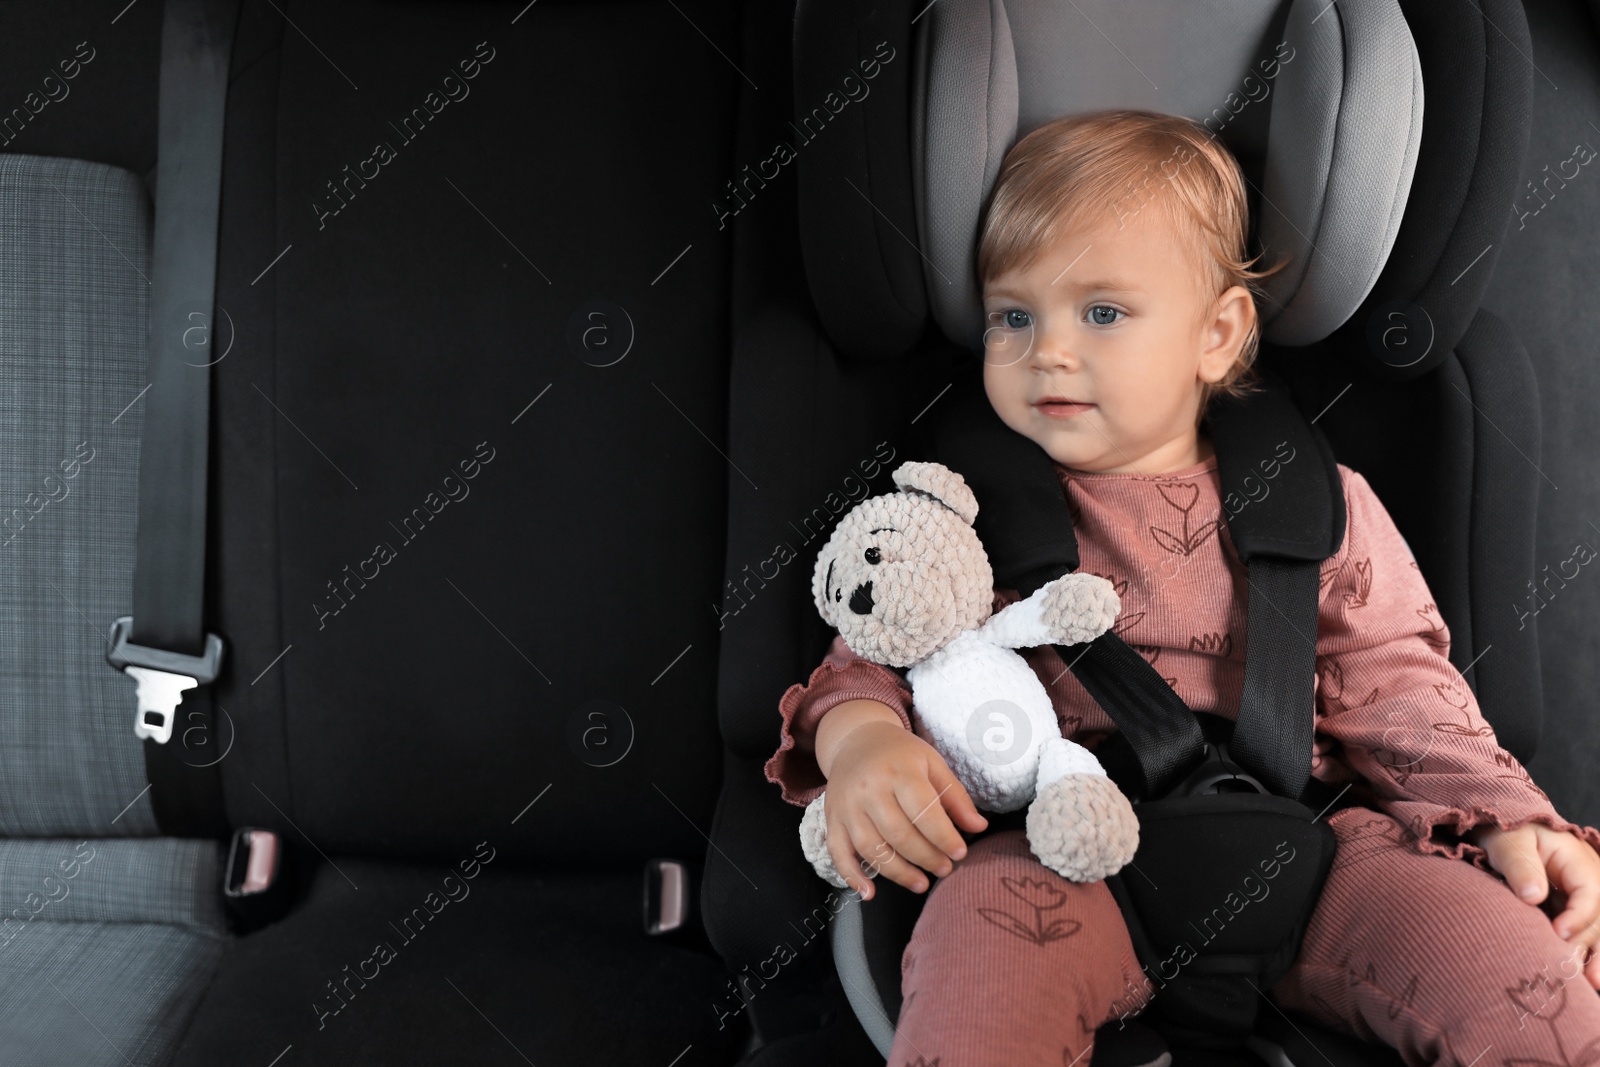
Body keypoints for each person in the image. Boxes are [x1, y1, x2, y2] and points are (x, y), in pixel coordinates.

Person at [765, 109, 1600, 1066]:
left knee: (1513, 969)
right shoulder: (957, 510)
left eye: (1104, 312)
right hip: (1058, 848)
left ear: (1217, 332)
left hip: (1316, 845)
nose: (1050, 350)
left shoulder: (1315, 503)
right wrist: (862, 741)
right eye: (1013, 315)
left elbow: (1404, 689)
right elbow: (863, 662)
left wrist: (1515, 817)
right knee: (979, 949)